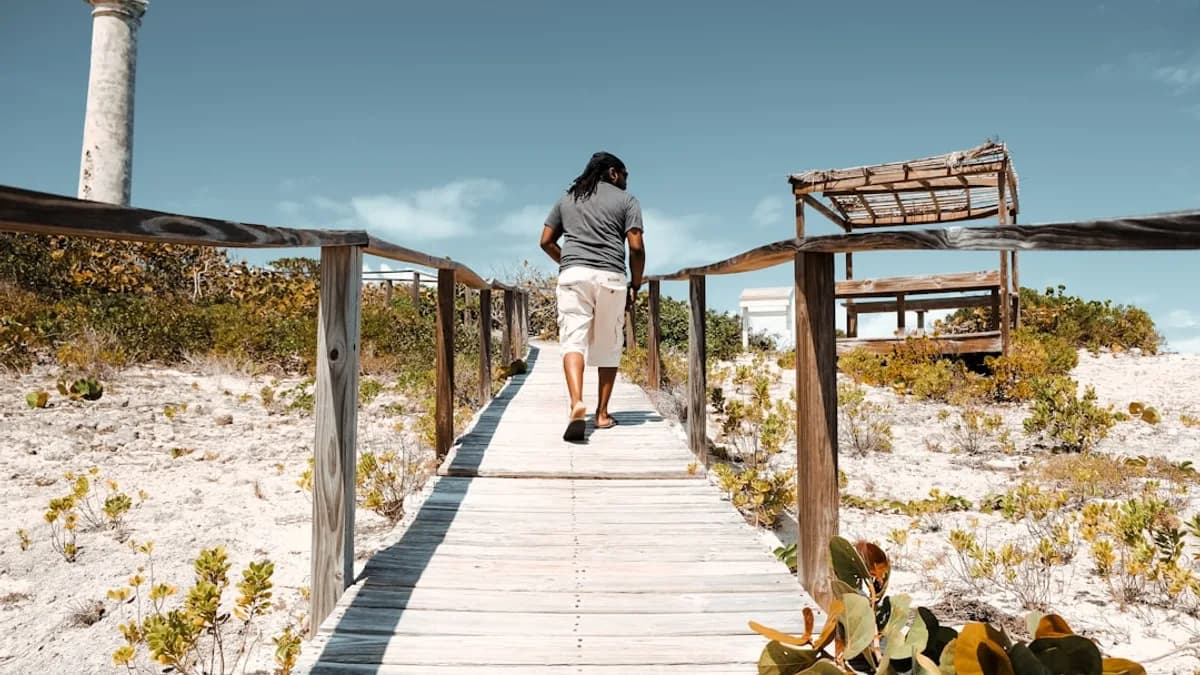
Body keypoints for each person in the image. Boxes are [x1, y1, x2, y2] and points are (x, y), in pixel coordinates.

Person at [539, 151, 646, 441]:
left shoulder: (567, 199)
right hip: (611, 276)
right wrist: (635, 284)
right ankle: (601, 415)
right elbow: (635, 247)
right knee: (610, 344)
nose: (625, 181)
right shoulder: (628, 201)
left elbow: (546, 241)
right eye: (625, 174)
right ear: (613, 172)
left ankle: (576, 403)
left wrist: (568, 262)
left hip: (574, 276)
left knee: (573, 340)